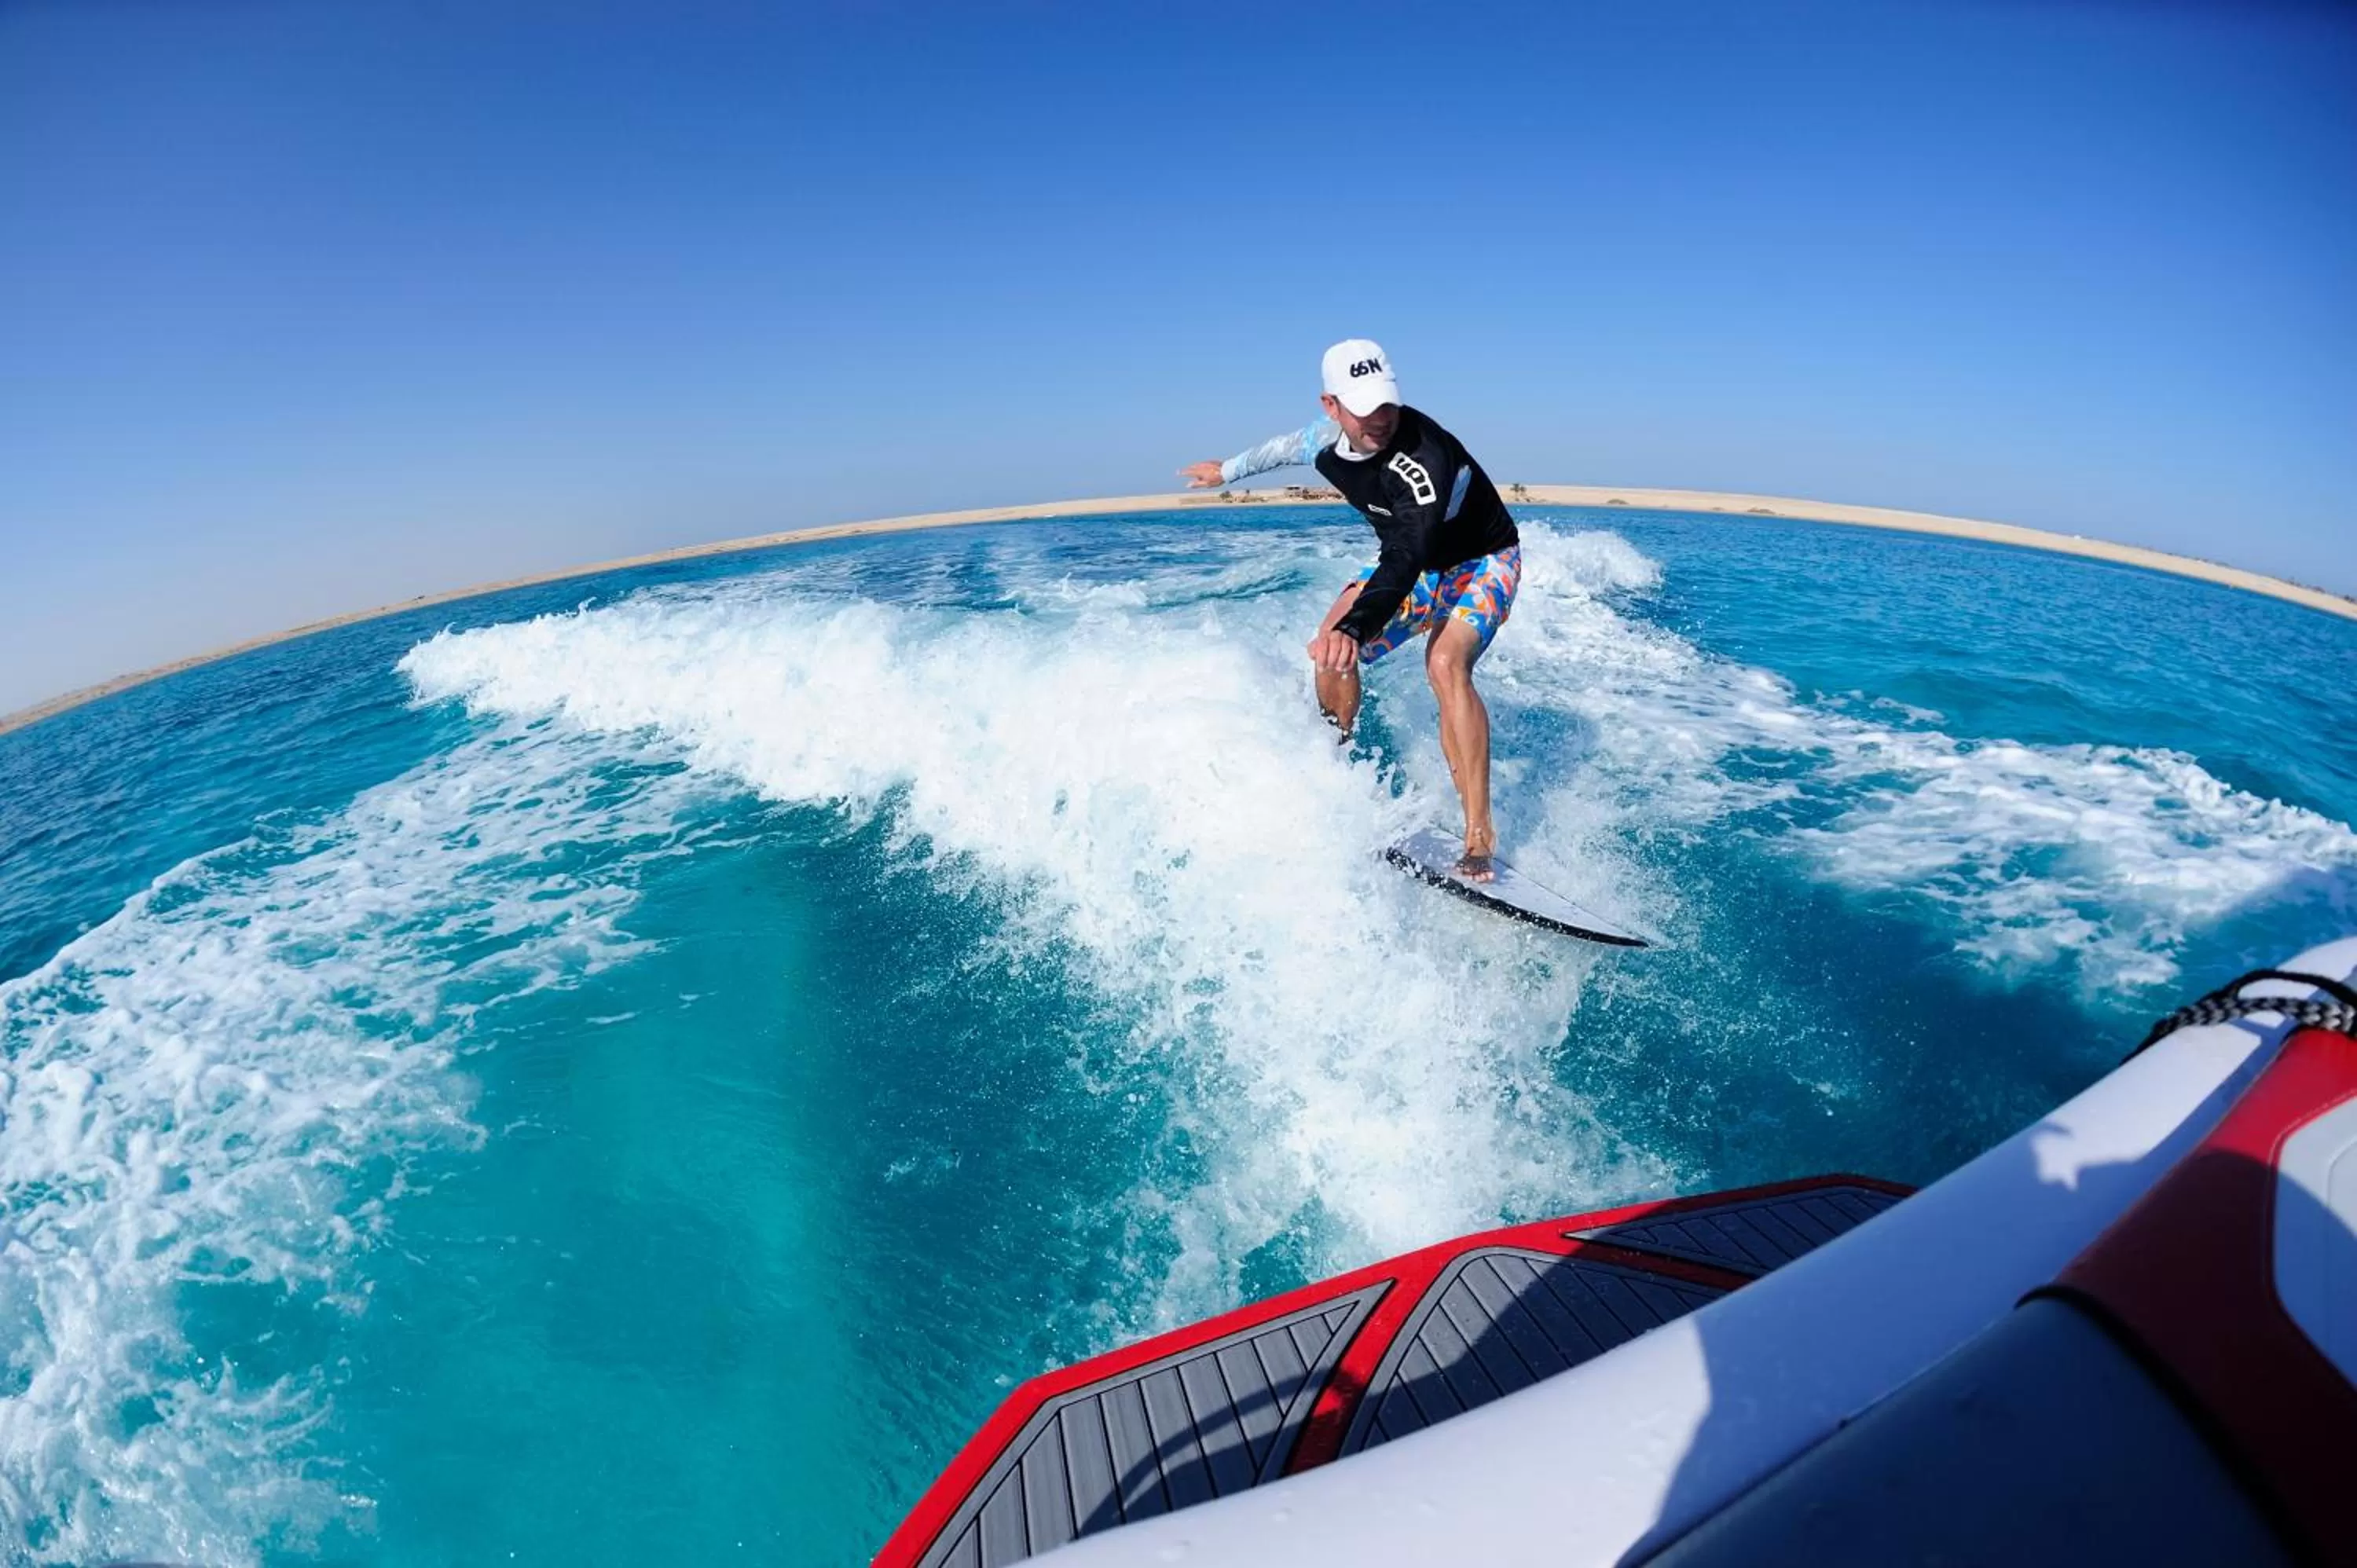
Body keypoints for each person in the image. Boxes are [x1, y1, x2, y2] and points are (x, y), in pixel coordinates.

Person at [1181, 339, 1522, 881]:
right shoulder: (1324, 440)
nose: (1381, 420)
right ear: (1331, 406)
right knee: (1329, 652)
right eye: (1365, 408)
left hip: (1480, 562)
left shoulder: (1423, 461)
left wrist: (1358, 625)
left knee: (1444, 664)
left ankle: (1479, 833)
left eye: (1387, 404)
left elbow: (1406, 555)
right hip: (1415, 565)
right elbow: (1279, 450)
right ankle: (1335, 775)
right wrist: (1226, 471)